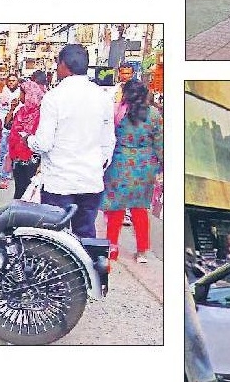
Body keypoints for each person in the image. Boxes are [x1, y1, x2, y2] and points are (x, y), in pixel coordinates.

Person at [28, 44, 116, 240]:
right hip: (90, 181)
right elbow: (108, 142)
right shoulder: (103, 97)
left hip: (59, 182)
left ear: (63, 65)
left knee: (54, 241)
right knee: (85, 235)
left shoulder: (54, 97)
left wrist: (28, 140)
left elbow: (43, 144)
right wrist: (95, 166)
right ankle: (93, 269)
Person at [101, 80, 164, 264]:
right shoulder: (153, 114)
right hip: (145, 166)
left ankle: (111, 248)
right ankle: (142, 251)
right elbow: (159, 142)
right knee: (140, 209)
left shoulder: (118, 111)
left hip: (120, 163)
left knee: (116, 208)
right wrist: (162, 165)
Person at [7, 79, 44, 199]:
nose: (20, 96)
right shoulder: (20, 111)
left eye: (22, 93)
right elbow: (8, 126)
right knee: (19, 188)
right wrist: (12, 109)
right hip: (17, 157)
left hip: (32, 159)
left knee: (29, 188)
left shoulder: (40, 113)